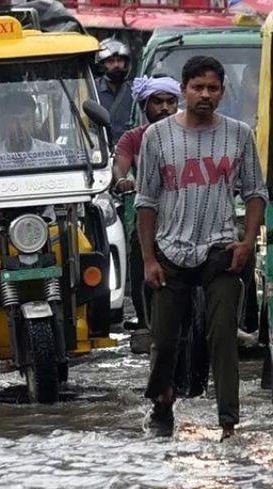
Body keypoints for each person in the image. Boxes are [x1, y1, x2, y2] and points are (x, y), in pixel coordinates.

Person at [136, 55, 267, 440]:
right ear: (184, 90)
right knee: (164, 340)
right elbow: (146, 202)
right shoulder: (156, 137)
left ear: (222, 92)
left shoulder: (238, 134)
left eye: (212, 88)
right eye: (198, 87)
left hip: (220, 251)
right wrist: (148, 259)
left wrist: (247, 242)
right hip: (170, 252)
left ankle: (228, 423)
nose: (205, 95)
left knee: (223, 336)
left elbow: (256, 192)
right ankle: (162, 401)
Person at [112, 75, 180, 332]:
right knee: (139, 256)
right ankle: (145, 322)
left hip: (189, 215)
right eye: (158, 102)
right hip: (152, 216)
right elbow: (120, 166)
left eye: (170, 101)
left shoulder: (191, 133)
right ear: (144, 107)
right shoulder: (133, 138)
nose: (165, 108)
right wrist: (122, 181)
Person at [96, 38, 134, 146]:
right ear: (102, 64)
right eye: (111, 61)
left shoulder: (135, 90)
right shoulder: (93, 88)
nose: (116, 65)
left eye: (119, 61)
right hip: (102, 149)